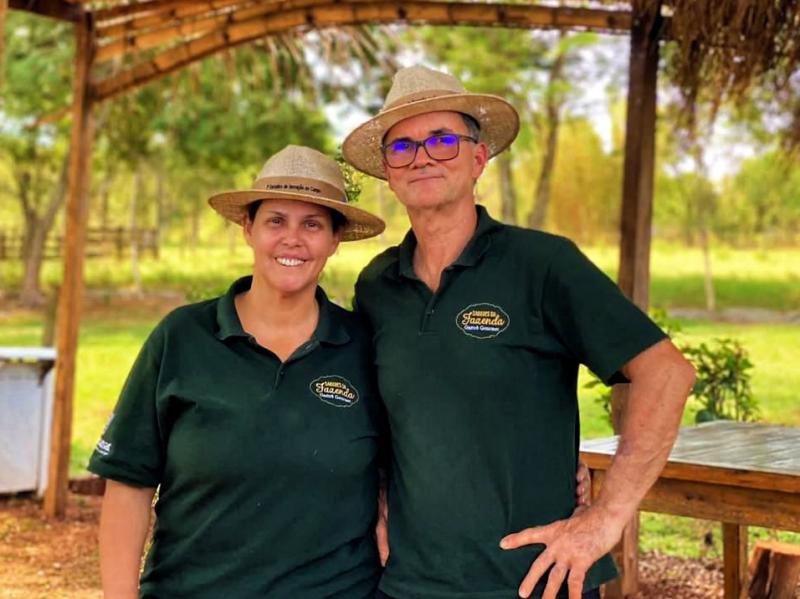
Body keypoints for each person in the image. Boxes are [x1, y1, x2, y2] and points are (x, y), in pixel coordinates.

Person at [343, 66, 696, 599]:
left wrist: (606, 517)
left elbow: (666, 373)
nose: (422, 157)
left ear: (478, 159)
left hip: (536, 579)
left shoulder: (542, 264)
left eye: (442, 140)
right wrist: (380, 502)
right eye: (403, 148)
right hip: (410, 582)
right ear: (388, 174)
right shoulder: (377, 286)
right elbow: (384, 413)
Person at [87, 145, 389, 598]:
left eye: (312, 224)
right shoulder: (183, 337)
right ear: (248, 229)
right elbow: (129, 483)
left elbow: (412, 462)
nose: (292, 239)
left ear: (334, 240)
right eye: (275, 221)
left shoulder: (367, 347)